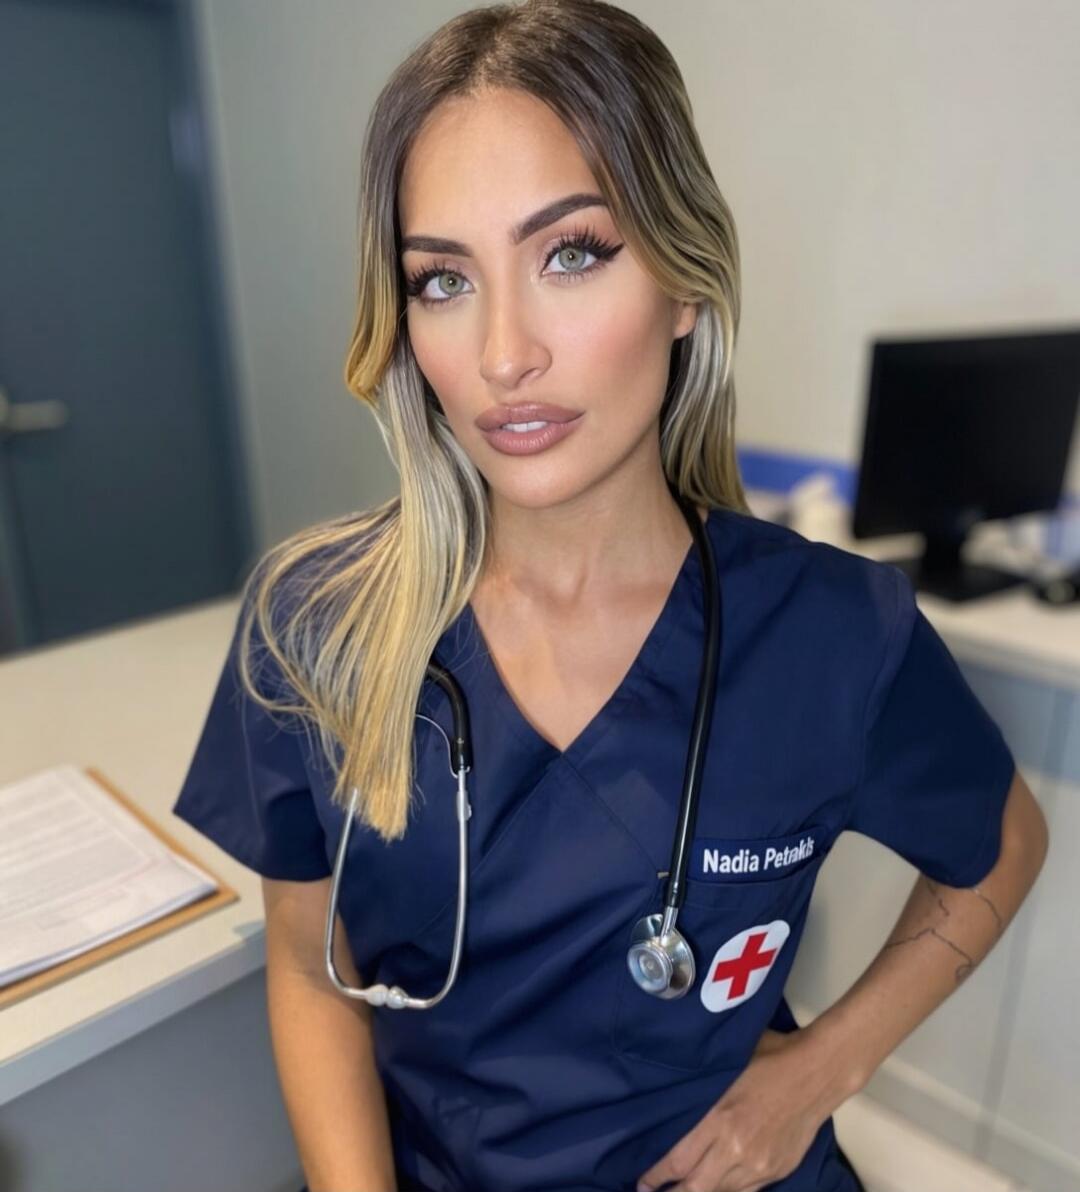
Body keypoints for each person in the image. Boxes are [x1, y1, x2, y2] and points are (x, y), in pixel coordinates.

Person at [171, 2, 1049, 1189]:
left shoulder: (836, 634)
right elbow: (304, 960)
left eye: (571, 252)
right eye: (441, 279)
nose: (502, 353)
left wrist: (824, 1067)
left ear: (686, 284)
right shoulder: (312, 627)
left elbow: (1001, 844)